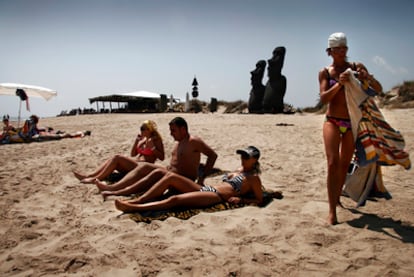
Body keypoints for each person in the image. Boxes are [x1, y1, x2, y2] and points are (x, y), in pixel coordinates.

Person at [319, 32, 383, 225]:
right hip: (332, 121)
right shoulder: (325, 72)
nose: (342, 52)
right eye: (337, 49)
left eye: (344, 48)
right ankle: (332, 211)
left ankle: (337, 197)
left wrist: (367, 77)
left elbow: (378, 88)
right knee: (332, 163)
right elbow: (324, 98)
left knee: (344, 164)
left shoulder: (356, 67)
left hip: (351, 122)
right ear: (329, 51)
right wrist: (340, 83)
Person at [114, 146, 263, 213]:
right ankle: (138, 200)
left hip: (217, 196)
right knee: (170, 177)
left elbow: (259, 200)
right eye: (242, 156)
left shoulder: (254, 178)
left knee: (176, 200)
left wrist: (241, 200)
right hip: (208, 188)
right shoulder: (239, 170)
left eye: (246, 157)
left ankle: (136, 208)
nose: (242, 159)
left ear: (254, 160)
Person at [95, 116, 218, 196]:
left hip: (182, 178)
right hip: (170, 171)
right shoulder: (179, 143)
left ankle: (118, 191)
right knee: (144, 167)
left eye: (173, 131)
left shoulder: (194, 141)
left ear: (183, 129)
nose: (171, 134)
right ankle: (114, 188)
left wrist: (202, 176)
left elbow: (212, 155)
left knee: (155, 173)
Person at [73, 120, 165, 183]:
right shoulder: (143, 140)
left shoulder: (156, 140)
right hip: (134, 164)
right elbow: (133, 154)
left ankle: (96, 179)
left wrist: (153, 148)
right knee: (113, 159)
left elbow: (162, 157)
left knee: (117, 157)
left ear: (149, 130)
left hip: (142, 167)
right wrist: (136, 141)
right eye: (140, 128)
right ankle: (89, 175)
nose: (141, 131)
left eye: (143, 129)